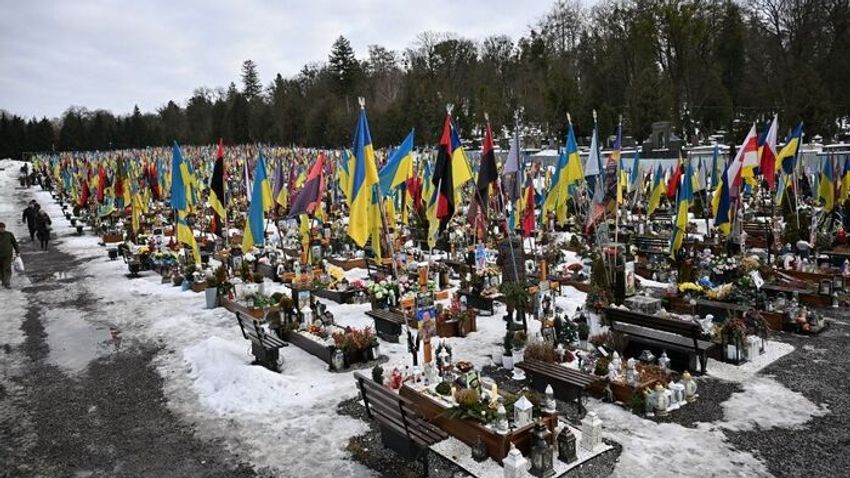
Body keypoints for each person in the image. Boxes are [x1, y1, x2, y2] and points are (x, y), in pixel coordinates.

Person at [0, 222, 20, 288]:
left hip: (8, 255)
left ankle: (7, 282)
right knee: (1, 269)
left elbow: (14, 243)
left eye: (3, 228)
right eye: (0, 228)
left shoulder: (9, 234)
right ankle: (3, 281)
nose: (2, 229)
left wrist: (17, 251)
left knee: (7, 268)